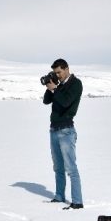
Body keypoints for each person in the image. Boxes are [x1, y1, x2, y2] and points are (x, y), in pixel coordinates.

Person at [43, 58, 83, 209]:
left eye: (59, 72)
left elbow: (66, 102)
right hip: (53, 130)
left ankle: (77, 202)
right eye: (55, 73)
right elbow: (46, 101)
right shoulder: (58, 86)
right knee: (58, 167)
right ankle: (59, 196)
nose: (57, 75)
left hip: (66, 131)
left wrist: (55, 89)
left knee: (71, 168)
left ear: (67, 69)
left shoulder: (76, 84)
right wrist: (49, 87)